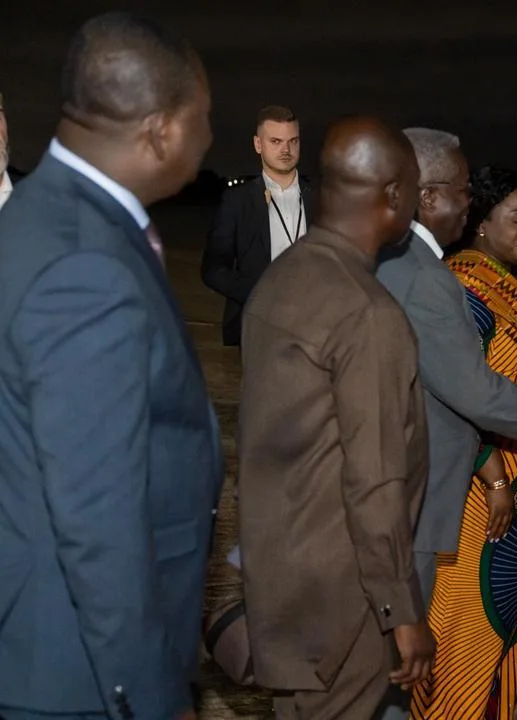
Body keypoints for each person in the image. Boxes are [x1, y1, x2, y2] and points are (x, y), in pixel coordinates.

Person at [0, 12, 221, 720]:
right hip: (78, 672)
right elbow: (99, 516)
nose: (210, 138)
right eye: (204, 119)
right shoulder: (86, 267)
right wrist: (150, 695)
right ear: (160, 131)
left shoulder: (44, 214)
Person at [374, 129, 517, 718]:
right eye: (512, 216)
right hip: (469, 502)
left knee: (503, 624)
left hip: (506, 491)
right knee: (467, 627)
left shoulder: (445, 275)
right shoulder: (448, 284)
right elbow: (466, 393)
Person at [237, 116, 435, 719]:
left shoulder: (282, 278)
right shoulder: (367, 313)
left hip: (280, 571)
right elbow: (374, 479)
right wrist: (400, 611)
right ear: (396, 196)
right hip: (344, 594)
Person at [201, 105, 311, 347]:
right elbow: (213, 269)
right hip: (258, 327)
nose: (286, 149)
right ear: (258, 144)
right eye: (276, 141)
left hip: (316, 327)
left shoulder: (322, 199)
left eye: (293, 141)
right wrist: (260, 295)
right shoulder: (236, 200)